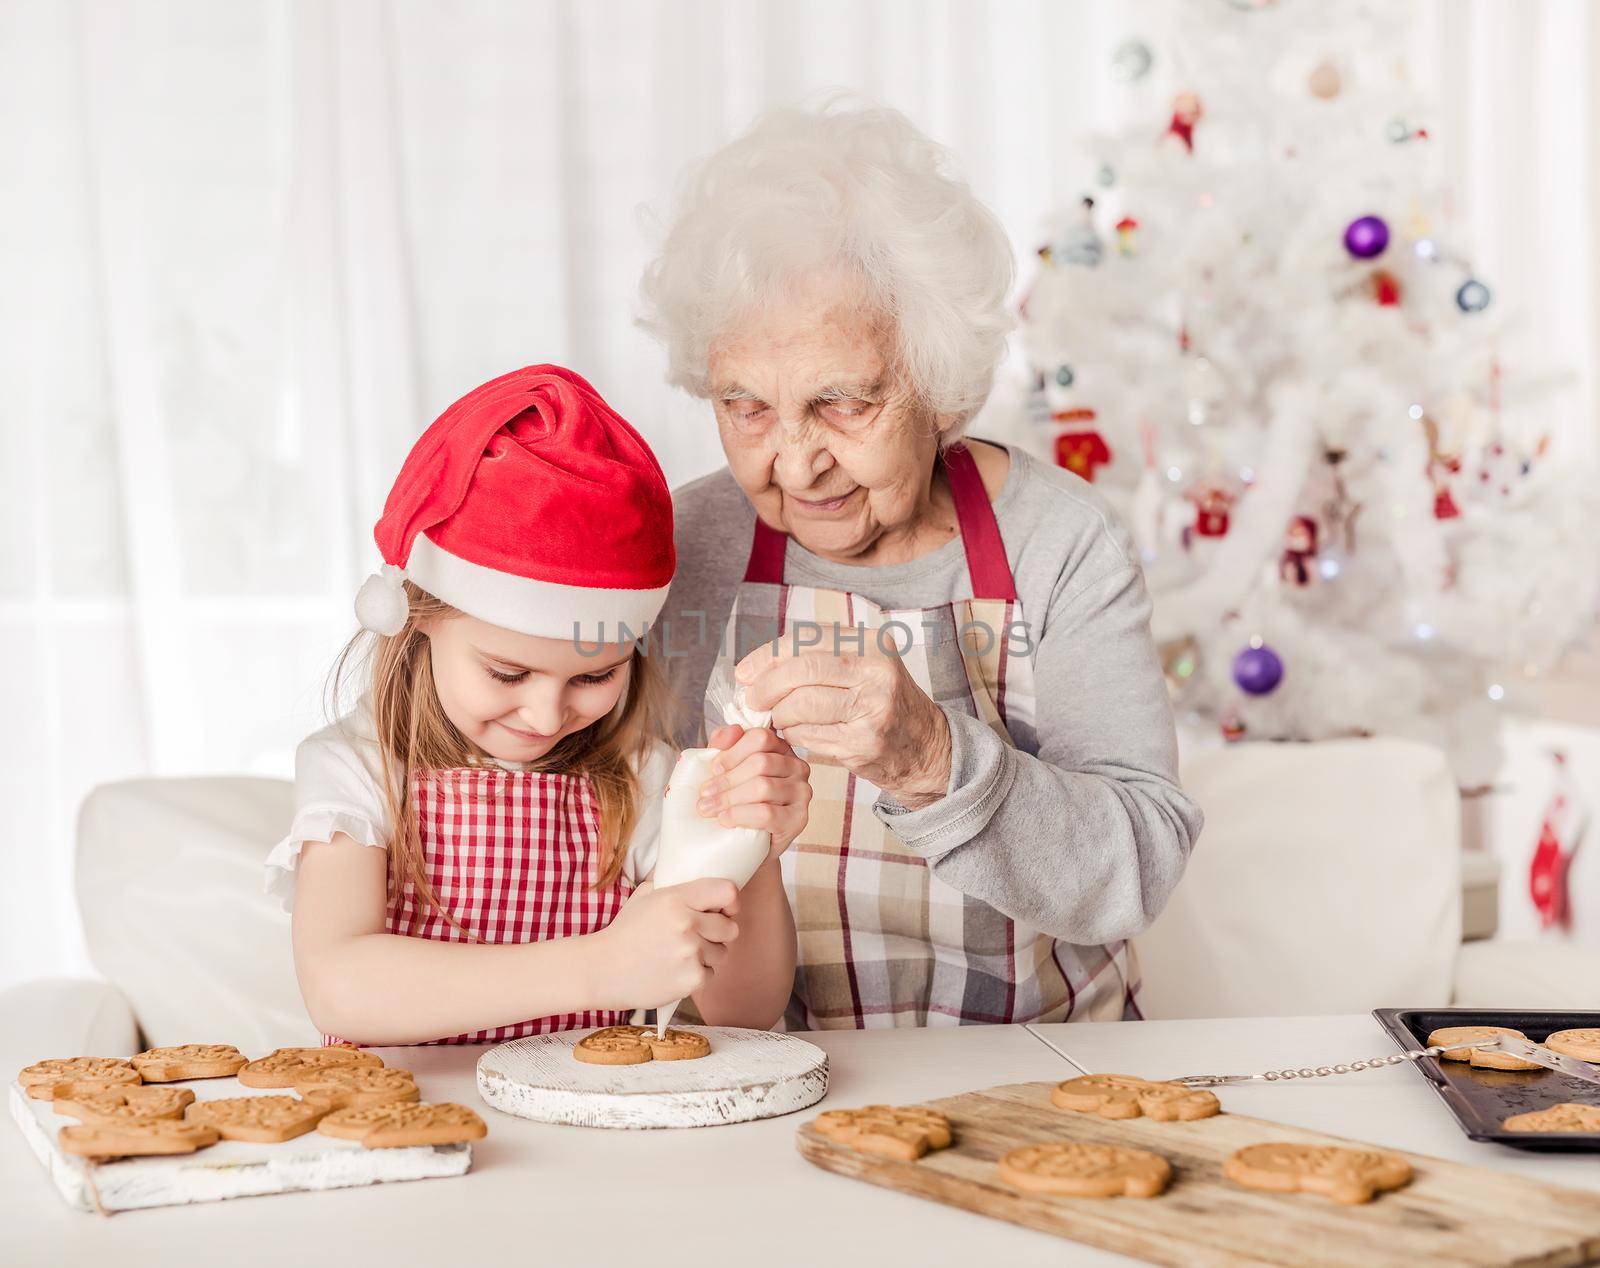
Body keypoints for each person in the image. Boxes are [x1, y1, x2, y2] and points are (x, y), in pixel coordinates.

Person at [641, 104, 1203, 1029]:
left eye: (842, 404)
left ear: (938, 388)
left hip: (1039, 1068)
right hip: (761, 1074)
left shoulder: (1059, 545)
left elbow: (1139, 865)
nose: (792, 463)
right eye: (746, 407)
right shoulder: (687, 543)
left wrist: (931, 758)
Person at [265, 365, 809, 1045]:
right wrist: (598, 969)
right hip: (413, 1126)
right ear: (417, 619)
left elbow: (746, 1011)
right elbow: (341, 988)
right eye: (507, 672)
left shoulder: (642, 776)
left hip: (589, 1135)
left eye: (593, 677)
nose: (547, 718)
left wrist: (748, 847)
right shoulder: (358, 770)